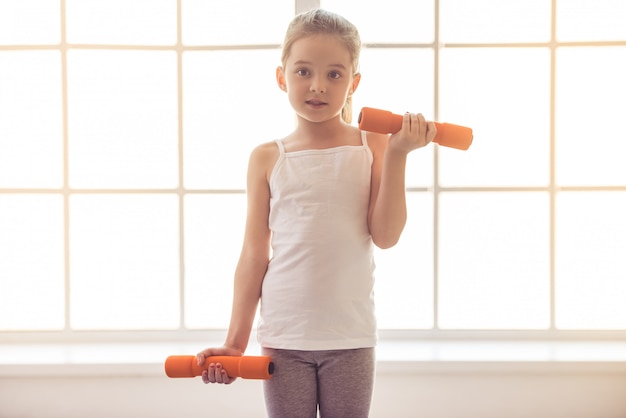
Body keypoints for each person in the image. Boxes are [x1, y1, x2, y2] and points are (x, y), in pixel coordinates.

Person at [196, 8, 436, 417]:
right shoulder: (267, 158)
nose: (318, 86)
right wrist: (235, 342)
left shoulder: (372, 145)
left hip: (351, 337)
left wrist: (397, 154)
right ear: (281, 77)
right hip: (284, 337)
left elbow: (386, 235)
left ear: (353, 83)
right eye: (304, 71)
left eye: (335, 75)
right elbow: (254, 256)